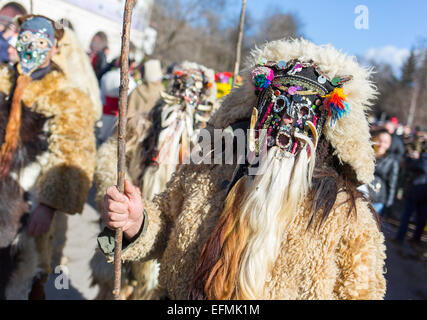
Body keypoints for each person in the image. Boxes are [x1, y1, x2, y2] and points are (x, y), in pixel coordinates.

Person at [96, 38, 386, 300]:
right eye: (278, 105)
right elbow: (166, 226)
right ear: (257, 108)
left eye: (301, 111)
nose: (286, 122)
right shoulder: (211, 165)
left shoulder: (348, 216)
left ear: (322, 124)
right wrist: (137, 223)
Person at [91, 61, 218, 300]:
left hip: (173, 246)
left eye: (195, 91)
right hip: (131, 229)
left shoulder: (213, 147)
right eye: (181, 86)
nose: (186, 97)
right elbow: (109, 155)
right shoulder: (142, 125)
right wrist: (119, 188)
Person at [0, 15, 96, 299]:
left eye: (42, 42)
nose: (32, 46)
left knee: (19, 276)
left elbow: (72, 151)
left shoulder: (68, 96)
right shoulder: (4, 79)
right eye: (27, 38)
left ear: (55, 49)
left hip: (25, 200)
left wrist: (48, 204)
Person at [98, 57, 137, 144]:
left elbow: (101, 94)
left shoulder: (107, 75)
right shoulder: (130, 81)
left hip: (106, 110)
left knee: (103, 136)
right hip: (118, 112)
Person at [395, 141, 427, 246]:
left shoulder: (422, 159)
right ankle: (415, 239)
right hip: (423, 194)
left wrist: (411, 158)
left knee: (407, 216)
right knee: (421, 218)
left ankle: (400, 237)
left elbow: (408, 166)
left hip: (415, 192)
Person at [368, 129, 399, 216]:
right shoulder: (366, 154)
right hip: (359, 194)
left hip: (377, 199)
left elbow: (392, 185)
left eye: (385, 142)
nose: (382, 144)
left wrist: (388, 205)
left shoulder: (392, 162)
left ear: (389, 144)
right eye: (380, 141)